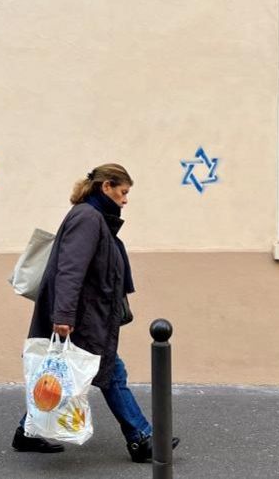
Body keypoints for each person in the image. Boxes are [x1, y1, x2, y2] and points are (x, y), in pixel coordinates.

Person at [12, 163, 179, 463]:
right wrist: (63, 316)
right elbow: (69, 269)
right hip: (80, 317)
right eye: (123, 192)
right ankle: (141, 438)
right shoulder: (88, 218)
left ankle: (27, 431)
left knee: (65, 373)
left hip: (84, 314)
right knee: (111, 372)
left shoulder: (93, 217)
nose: (125, 200)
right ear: (106, 187)